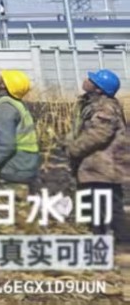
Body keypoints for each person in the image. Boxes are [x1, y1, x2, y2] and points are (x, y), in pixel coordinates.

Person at [65, 69, 130, 242]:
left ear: (99, 89)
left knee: (111, 209)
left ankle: (123, 243)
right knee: (96, 209)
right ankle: (100, 240)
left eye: (92, 80)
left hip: (103, 169)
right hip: (96, 168)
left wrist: (74, 148)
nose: (87, 80)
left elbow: (99, 134)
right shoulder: (94, 104)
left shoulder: (105, 107)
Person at [0, 69, 41, 189]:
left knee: (9, 200)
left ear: (4, 85)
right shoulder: (17, 104)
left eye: (2, 77)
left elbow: (6, 145)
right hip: (26, 164)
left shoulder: (4, 108)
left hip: (14, 167)